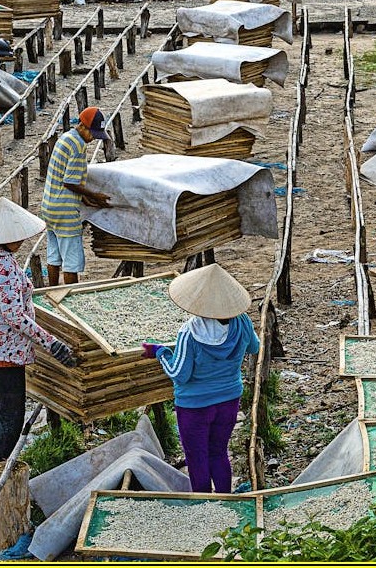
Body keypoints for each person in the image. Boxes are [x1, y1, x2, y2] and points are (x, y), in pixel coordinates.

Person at [0, 197, 77, 478]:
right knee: (11, 420)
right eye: (18, 236)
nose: (22, 241)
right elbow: (15, 318)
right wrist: (51, 343)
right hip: (0, 351)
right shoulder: (2, 266)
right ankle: (1, 480)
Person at [141, 264, 260, 493]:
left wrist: (159, 352)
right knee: (218, 452)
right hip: (229, 399)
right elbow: (254, 347)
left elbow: (179, 374)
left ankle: (203, 504)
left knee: (197, 457)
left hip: (194, 406)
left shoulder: (190, 333)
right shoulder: (242, 321)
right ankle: (225, 499)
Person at [39, 106, 112, 286]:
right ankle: (72, 296)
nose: (93, 138)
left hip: (49, 205)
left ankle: (52, 290)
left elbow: (64, 178)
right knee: (71, 262)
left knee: (54, 256)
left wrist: (83, 197)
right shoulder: (78, 146)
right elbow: (70, 182)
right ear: (82, 126)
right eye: (92, 134)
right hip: (65, 211)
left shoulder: (65, 138)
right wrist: (94, 195)